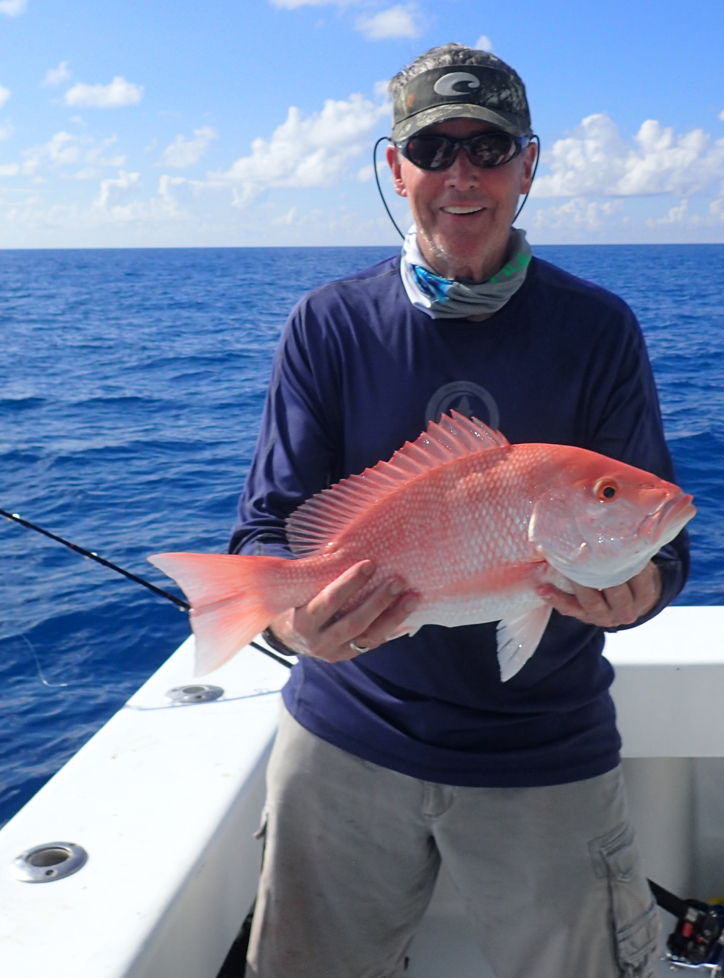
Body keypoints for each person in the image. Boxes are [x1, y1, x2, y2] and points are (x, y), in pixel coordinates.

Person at [232, 42, 690, 978]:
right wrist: (292, 621)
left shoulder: (598, 328)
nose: (462, 174)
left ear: (529, 165)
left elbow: (661, 536)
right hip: (345, 736)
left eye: (489, 147)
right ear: (396, 168)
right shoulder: (328, 323)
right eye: (433, 148)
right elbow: (268, 534)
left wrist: (639, 592)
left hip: (545, 750)